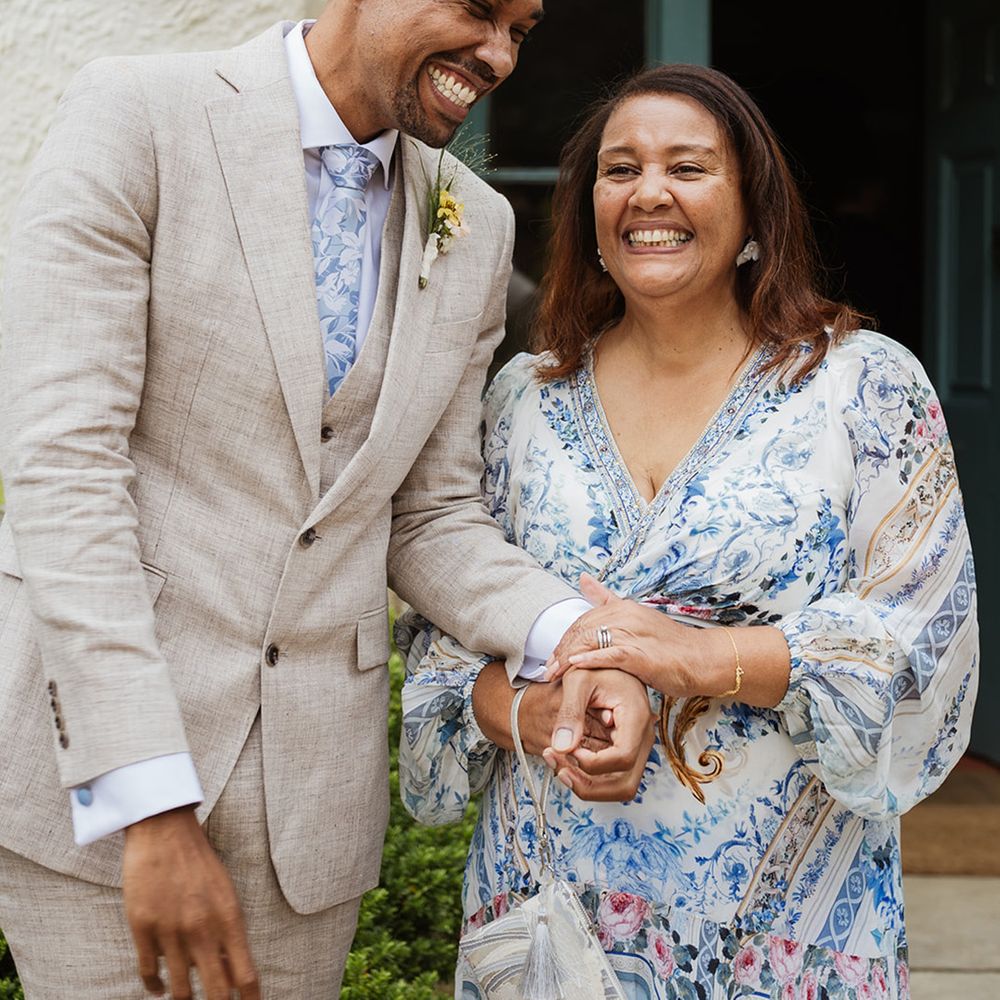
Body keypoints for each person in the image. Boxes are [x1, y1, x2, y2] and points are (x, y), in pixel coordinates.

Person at [0, 2, 656, 996]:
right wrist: (150, 804)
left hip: (308, 825)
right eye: (479, 10)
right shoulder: (137, 116)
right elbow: (64, 472)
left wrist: (583, 634)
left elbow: (428, 517)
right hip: (99, 799)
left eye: (520, 30)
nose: (496, 54)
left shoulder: (473, 223)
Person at [397, 63, 978, 999]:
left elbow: (922, 646)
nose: (648, 193)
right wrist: (531, 711)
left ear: (756, 208)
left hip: (790, 930)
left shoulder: (863, 387)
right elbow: (439, 649)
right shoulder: (522, 401)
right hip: (550, 913)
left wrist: (689, 659)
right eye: (618, 170)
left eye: (689, 167)